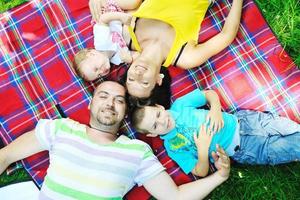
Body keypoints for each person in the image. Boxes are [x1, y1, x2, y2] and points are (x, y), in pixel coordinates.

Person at [0, 81, 231, 199]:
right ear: (90, 104)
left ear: (124, 115)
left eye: (119, 100)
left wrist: (219, 176)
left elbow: (175, 197)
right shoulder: (60, 129)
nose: (110, 103)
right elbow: (6, 155)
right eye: (103, 96)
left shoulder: (137, 151)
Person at [89, 0, 243, 100]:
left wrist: (99, 2)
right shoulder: (185, 57)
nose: (138, 74)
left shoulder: (127, 35)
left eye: (131, 78)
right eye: (144, 82)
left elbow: (124, 4)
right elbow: (227, 35)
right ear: (158, 79)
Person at [131, 88, 300, 177]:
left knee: (290, 127)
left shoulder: (180, 105)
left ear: (159, 107)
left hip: (245, 121)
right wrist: (203, 149)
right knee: (292, 147)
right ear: (152, 135)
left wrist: (215, 110)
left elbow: (209, 94)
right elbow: (200, 171)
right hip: (244, 149)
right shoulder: (173, 148)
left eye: (158, 115)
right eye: (155, 126)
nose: (162, 121)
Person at [73, 0, 139, 81]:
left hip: (111, 9)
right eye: (99, 75)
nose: (101, 72)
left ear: (92, 54)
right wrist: (130, 59)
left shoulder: (101, 43)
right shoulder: (117, 60)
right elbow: (137, 55)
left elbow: (103, 19)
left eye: (96, 69)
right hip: (126, 21)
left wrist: (121, 17)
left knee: (134, 3)